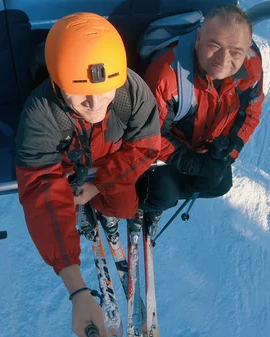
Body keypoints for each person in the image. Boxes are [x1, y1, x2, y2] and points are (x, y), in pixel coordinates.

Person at [15, 12, 161, 337]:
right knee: (64, 206)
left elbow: (147, 147)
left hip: (106, 162)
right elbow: (42, 194)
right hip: (66, 167)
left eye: (106, 89)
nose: (95, 104)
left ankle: (102, 209)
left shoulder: (129, 89)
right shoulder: (40, 113)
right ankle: (91, 208)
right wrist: (78, 289)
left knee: (123, 208)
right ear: (56, 84)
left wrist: (99, 186)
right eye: (80, 93)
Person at [137, 4, 264, 223]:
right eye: (215, 46)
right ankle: (141, 203)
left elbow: (251, 111)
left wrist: (228, 152)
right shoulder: (167, 76)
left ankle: (161, 197)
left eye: (236, 52)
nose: (224, 61)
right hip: (163, 149)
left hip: (199, 144)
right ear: (198, 39)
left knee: (220, 183)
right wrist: (192, 164)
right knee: (164, 193)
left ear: (246, 49)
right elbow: (149, 135)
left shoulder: (251, 68)